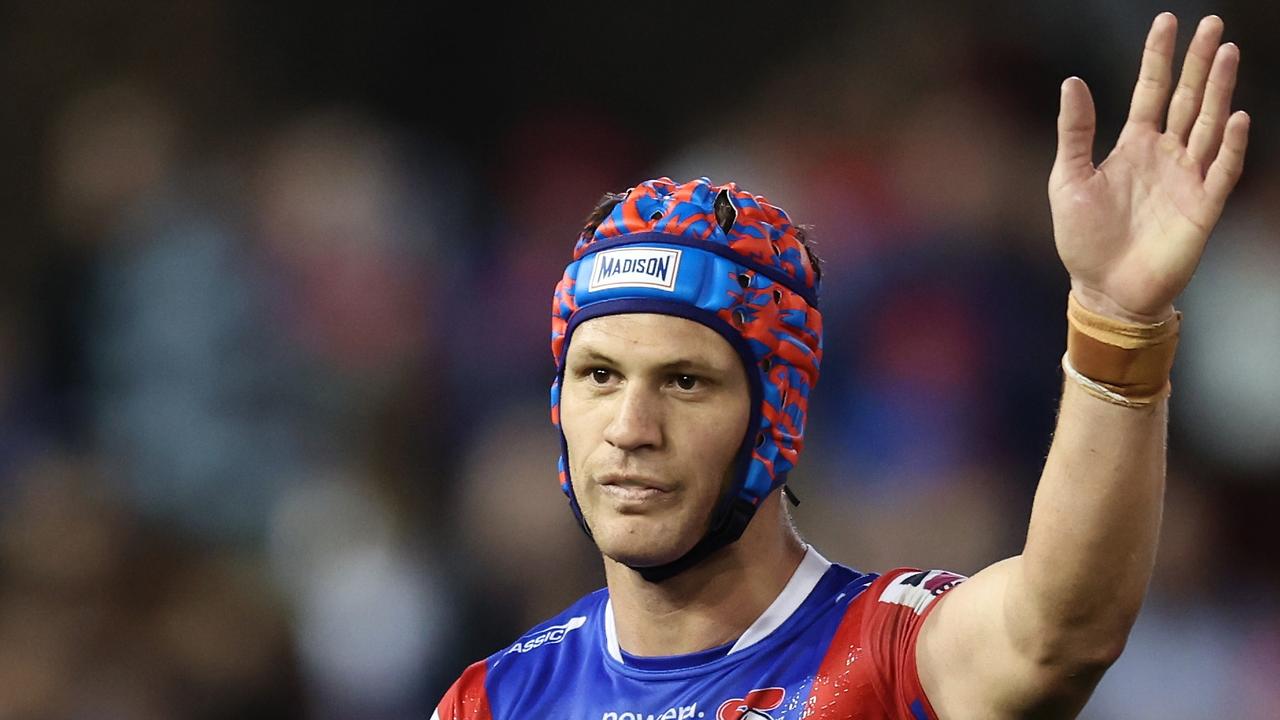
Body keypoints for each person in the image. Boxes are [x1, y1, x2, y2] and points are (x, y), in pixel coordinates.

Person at [435, 12, 1250, 719]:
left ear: (776, 416)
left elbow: (1059, 635)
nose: (629, 429)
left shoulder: (891, 657)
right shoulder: (495, 701)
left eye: (686, 382)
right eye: (599, 376)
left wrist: (1117, 319)